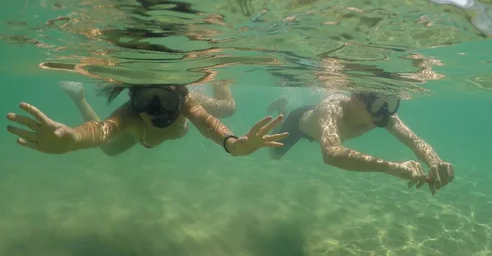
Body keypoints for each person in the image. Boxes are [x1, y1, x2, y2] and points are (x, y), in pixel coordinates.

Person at [6, 82, 289, 157]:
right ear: (134, 101)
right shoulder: (131, 114)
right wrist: (72, 139)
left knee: (227, 107)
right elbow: (104, 130)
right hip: (142, 138)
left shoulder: (187, 104)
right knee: (109, 149)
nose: (156, 111)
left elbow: (209, 125)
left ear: (179, 98)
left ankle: (219, 75)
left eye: (165, 101)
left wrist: (235, 144)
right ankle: (79, 96)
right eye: (146, 101)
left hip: (192, 101)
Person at [266, 92, 454, 195]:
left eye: (390, 102)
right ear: (354, 98)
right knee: (273, 155)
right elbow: (330, 153)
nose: (384, 111)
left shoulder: (381, 115)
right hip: (299, 124)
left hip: (321, 129)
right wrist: (393, 167)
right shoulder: (332, 107)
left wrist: (434, 162)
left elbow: (414, 140)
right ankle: (283, 110)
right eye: (377, 103)